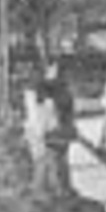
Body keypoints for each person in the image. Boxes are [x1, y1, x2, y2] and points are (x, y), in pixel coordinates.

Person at [35, 60, 76, 199]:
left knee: (60, 158)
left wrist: (70, 125)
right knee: (52, 159)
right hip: (50, 128)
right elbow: (42, 109)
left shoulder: (63, 89)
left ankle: (62, 188)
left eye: (58, 70)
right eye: (52, 69)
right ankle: (56, 189)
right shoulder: (43, 88)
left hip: (61, 128)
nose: (56, 73)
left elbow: (69, 108)